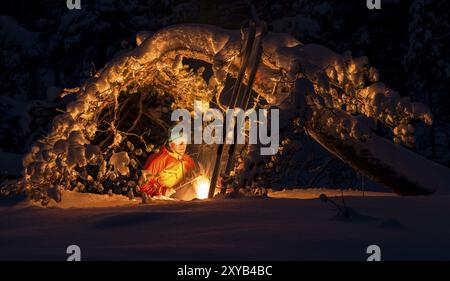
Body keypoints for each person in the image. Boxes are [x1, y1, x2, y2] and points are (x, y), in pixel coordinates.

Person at [139, 129, 195, 198]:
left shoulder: (188, 160)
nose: (183, 146)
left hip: (186, 203)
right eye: (179, 142)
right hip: (163, 205)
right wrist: (162, 191)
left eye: (185, 142)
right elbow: (143, 184)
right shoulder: (159, 159)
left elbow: (194, 178)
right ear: (170, 143)